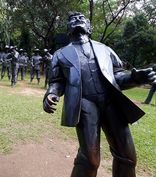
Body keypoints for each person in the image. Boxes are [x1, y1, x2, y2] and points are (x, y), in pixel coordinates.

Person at [43, 12, 156, 177]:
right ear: (68, 29)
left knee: (128, 157)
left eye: (82, 19)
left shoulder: (105, 49)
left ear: (89, 27)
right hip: (85, 104)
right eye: (72, 20)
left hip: (111, 103)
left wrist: (135, 78)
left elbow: (117, 77)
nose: (77, 20)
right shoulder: (60, 55)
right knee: (90, 160)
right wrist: (51, 94)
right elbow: (56, 82)